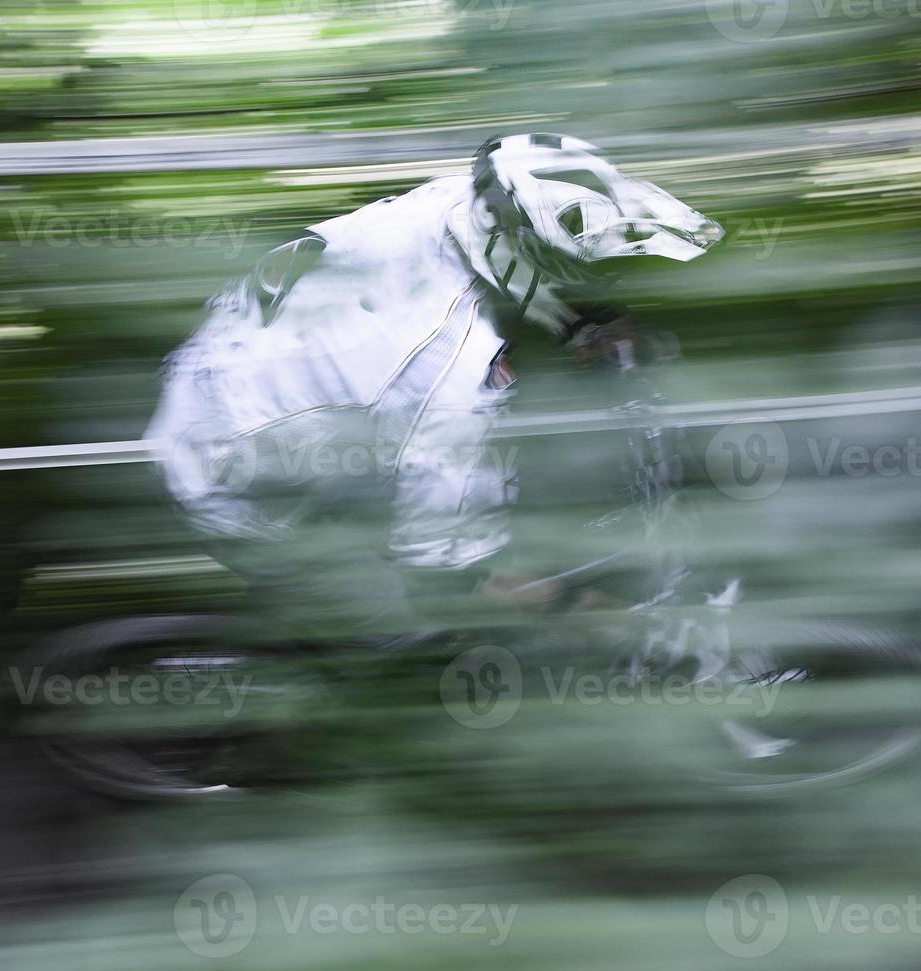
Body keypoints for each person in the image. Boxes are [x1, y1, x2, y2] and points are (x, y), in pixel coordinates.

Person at [146, 133, 722, 641]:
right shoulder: (448, 371)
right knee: (415, 625)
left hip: (232, 376)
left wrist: (585, 322)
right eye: (589, 278)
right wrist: (600, 617)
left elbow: (523, 262)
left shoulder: (462, 202)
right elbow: (448, 569)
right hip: (232, 476)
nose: (599, 291)